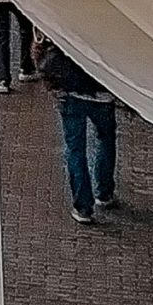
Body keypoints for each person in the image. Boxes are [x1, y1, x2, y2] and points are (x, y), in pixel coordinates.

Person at [33, 31, 119, 222]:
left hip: (71, 90)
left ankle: (83, 207)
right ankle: (104, 193)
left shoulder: (66, 15)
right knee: (106, 139)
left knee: (75, 149)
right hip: (102, 92)